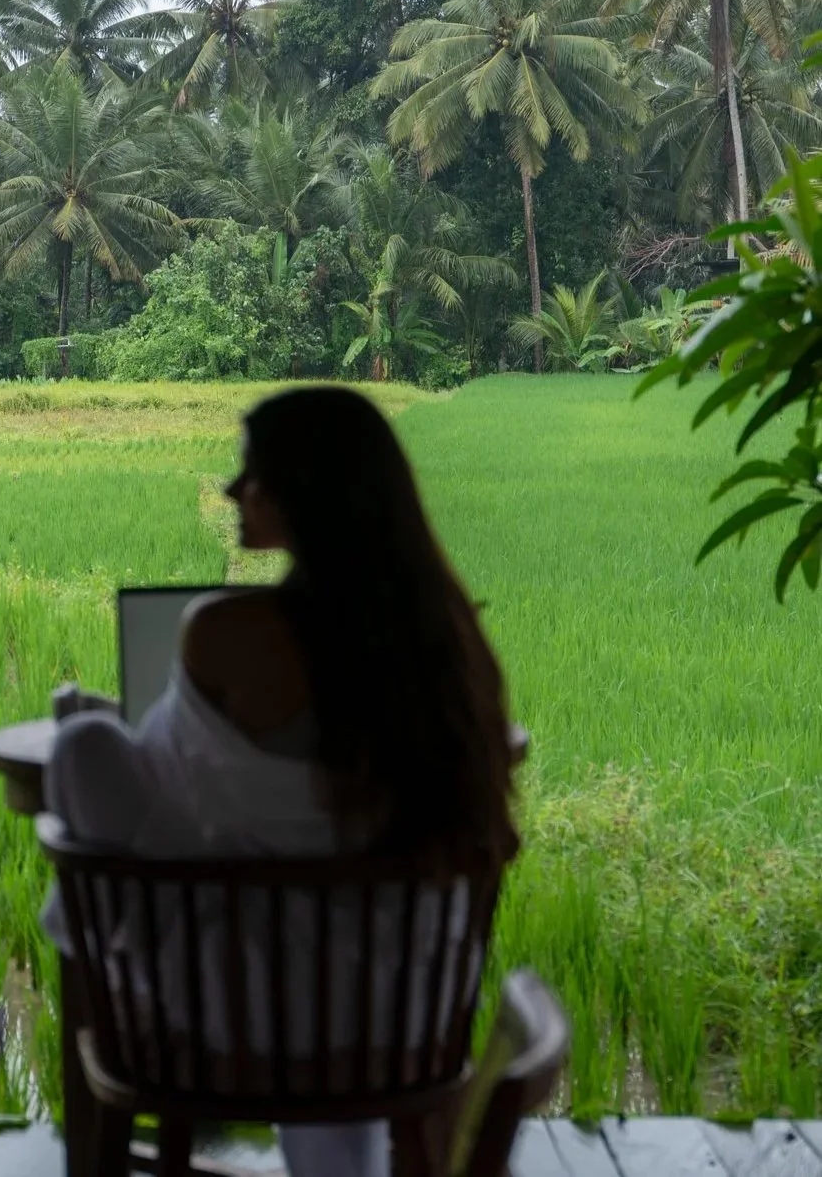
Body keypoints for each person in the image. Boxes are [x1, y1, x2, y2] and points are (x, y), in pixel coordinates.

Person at [43, 386, 517, 1177]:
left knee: (85, 746)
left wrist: (89, 733)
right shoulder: (448, 639)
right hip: (404, 1011)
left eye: (251, 473)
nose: (232, 491)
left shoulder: (226, 633)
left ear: (307, 494)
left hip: (237, 1016)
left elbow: (171, 791)